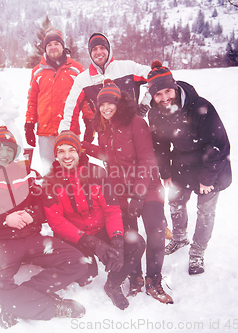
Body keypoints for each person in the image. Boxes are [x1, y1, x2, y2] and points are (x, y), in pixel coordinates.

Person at [0, 126, 87, 329]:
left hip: (31, 239)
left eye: (9, 149)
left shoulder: (29, 173)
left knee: (78, 262)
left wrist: (32, 215)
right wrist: (4, 220)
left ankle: (22, 298)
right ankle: (52, 307)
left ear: (15, 151)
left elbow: (45, 208)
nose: (4, 154)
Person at [81, 80, 173, 304]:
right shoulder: (104, 127)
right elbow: (106, 154)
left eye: (110, 103)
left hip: (147, 188)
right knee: (131, 237)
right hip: (120, 191)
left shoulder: (136, 123)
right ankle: (135, 277)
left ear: (119, 104)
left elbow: (147, 159)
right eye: (102, 105)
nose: (106, 108)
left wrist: (139, 194)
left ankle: (154, 279)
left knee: (156, 232)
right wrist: (81, 145)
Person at [42, 131, 145, 310]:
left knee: (136, 243)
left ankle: (113, 284)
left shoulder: (97, 173)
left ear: (79, 152)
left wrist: (117, 239)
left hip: (100, 228)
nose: (66, 156)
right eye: (61, 151)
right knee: (86, 274)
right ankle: (91, 261)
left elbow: (111, 210)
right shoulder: (50, 181)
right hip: (75, 236)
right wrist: (90, 242)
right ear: (56, 155)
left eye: (71, 150)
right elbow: (56, 221)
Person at [146, 61, 232, 275]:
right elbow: (160, 145)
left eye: (167, 91)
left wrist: (207, 178)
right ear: (152, 96)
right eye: (158, 94)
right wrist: (165, 171)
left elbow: (218, 144)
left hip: (211, 164)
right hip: (182, 162)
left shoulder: (200, 107)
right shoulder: (155, 113)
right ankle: (179, 238)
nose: (164, 97)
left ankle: (197, 254)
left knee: (205, 212)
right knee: (176, 202)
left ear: (174, 87)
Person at [58, 32, 150, 142]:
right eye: (94, 49)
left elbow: (158, 78)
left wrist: (145, 104)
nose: (99, 52)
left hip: (133, 131)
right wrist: (65, 133)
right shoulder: (83, 79)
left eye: (102, 48)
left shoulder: (128, 68)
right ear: (90, 53)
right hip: (107, 135)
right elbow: (71, 108)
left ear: (109, 49)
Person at [25, 28, 87, 173]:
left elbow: (85, 98)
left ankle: (74, 195)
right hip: (45, 131)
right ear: (45, 48)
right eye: (49, 45)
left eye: (56, 43)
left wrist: (89, 120)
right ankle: (49, 196)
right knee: (48, 170)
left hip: (69, 130)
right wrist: (29, 123)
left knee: (72, 169)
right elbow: (32, 100)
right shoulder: (37, 71)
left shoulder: (76, 69)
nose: (53, 47)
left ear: (62, 46)